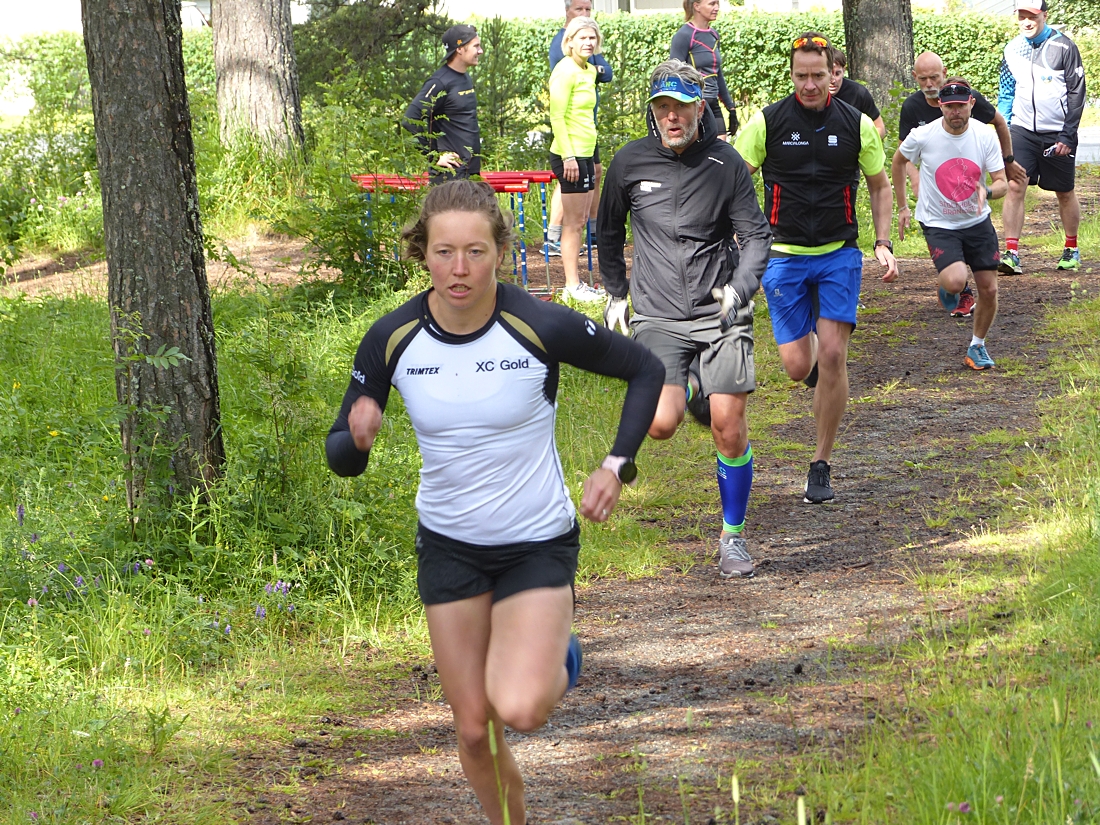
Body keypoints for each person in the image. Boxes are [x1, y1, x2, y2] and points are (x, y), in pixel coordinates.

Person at [326, 180, 664, 825]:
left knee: (520, 708)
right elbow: (341, 457)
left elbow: (643, 369)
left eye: (476, 252)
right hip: (450, 547)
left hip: (535, 542)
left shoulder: (537, 322)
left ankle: (557, 650)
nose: (460, 269)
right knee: (474, 728)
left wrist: (616, 465)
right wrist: (358, 439)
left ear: (500, 252)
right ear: (421, 254)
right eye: (444, 252)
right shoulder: (391, 337)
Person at [598, 60, 772, 579]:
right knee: (659, 425)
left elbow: (756, 236)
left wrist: (740, 288)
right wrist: (614, 295)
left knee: (729, 427)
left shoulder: (726, 164)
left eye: (681, 107)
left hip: (719, 311)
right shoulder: (628, 163)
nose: (672, 117)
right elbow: (607, 233)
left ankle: (733, 537)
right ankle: (695, 390)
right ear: (652, 112)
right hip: (657, 314)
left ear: (700, 108)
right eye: (662, 108)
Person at [734, 32, 897, 504]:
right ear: (792, 75)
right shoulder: (766, 123)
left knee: (831, 355)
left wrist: (882, 242)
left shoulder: (856, 123)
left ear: (833, 74)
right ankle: (817, 373)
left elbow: (880, 186)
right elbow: (734, 180)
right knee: (796, 366)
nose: (809, 84)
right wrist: (740, 234)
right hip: (782, 255)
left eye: (818, 75)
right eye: (801, 76)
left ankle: (821, 463)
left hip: (838, 253)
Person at [892, 79, 1009, 371]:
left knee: (990, 290)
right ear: (940, 107)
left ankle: (977, 346)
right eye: (949, 106)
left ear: (971, 104)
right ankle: (949, 284)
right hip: (938, 222)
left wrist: (988, 192)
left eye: (960, 105)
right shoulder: (923, 135)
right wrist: (903, 206)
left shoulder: (984, 135)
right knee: (956, 281)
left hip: (977, 221)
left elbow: (1002, 182)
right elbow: (897, 162)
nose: (955, 112)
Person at [997, 0, 1086, 274]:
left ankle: (1071, 248)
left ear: (1044, 15)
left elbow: (1077, 93)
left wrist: (1068, 135)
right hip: (1022, 130)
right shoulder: (1012, 49)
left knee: (1064, 191)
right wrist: (1004, 128)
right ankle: (1011, 253)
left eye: (1032, 16)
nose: (1026, 22)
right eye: (1022, 16)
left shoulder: (1064, 47)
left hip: (1057, 131)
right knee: (1015, 186)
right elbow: (1006, 91)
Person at [899, 52, 1027, 200]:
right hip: (934, 177)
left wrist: (1008, 160)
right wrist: (915, 177)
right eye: (923, 79)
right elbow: (902, 153)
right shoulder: (912, 106)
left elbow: (999, 122)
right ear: (915, 76)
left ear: (944, 72)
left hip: (969, 173)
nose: (929, 84)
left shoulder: (968, 98)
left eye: (934, 77)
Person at [545, 0, 613, 259]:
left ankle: (592, 235)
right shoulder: (564, 64)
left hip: (586, 140)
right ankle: (554, 237)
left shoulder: (587, 68)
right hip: (569, 145)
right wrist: (568, 155)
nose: (589, 42)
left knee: (582, 212)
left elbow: (607, 73)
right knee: (572, 218)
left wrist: (597, 69)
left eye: (592, 38)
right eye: (579, 10)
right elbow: (558, 116)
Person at [403, 25, 483, 183]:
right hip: (450, 176)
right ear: (460, 49)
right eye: (476, 46)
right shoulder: (440, 81)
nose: (480, 51)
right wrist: (433, 157)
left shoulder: (464, 78)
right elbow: (410, 119)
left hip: (470, 172)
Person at [670, 0, 739, 142]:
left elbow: (717, 74)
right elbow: (674, 74)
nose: (717, 8)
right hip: (694, 105)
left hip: (712, 103)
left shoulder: (714, 35)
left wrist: (731, 108)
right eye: (712, 4)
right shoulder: (684, 35)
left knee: (721, 150)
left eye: (717, 3)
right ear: (697, 6)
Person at [828, 48, 885, 140]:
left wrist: (861, 144)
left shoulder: (858, 93)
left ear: (844, 71)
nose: (833, 80)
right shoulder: (812, 94)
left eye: (837, 74)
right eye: (829, 74)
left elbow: (880, 128)